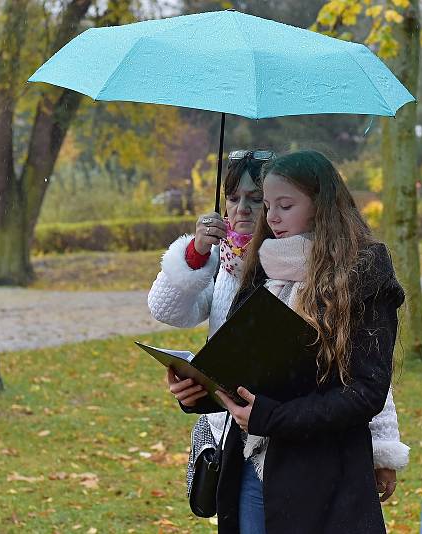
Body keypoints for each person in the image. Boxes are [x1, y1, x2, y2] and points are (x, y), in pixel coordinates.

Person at [147, 150, 408, 533]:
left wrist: (272, 417)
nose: (269, 217)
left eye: (283, 205)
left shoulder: (363, 273)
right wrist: (198, 388)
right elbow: (245, 367)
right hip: (252, 467)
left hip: (325, 472)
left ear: (322, 205)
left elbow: (367, 391)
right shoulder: (259, 268)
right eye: (268, 205)